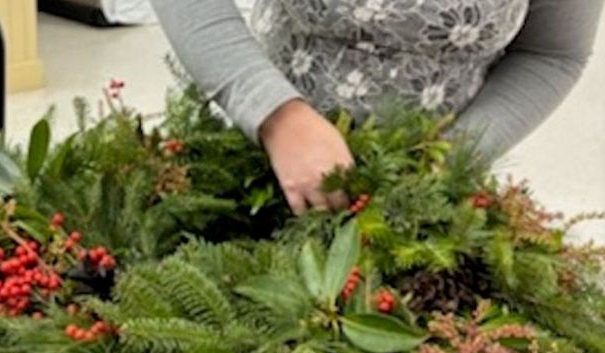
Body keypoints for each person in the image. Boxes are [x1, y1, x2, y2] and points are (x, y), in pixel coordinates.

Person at [150, 0, 603, 215]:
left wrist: (449, 159)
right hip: (248, 162)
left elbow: (551, 53)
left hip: (429, 198)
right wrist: (277, 116)